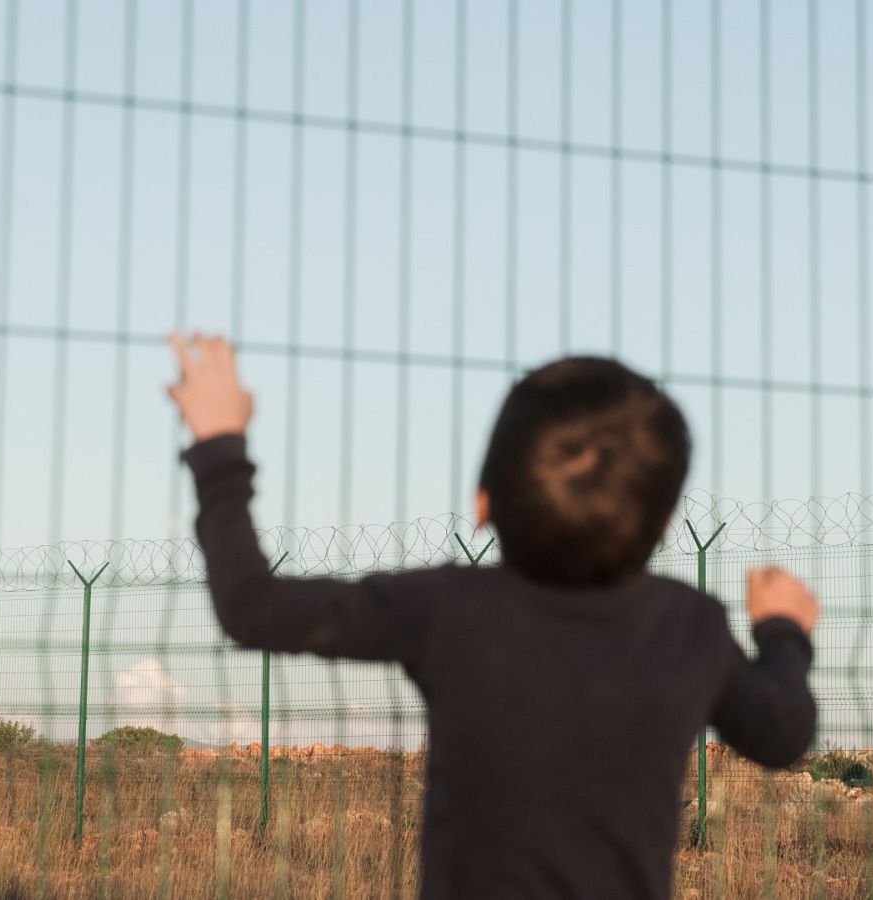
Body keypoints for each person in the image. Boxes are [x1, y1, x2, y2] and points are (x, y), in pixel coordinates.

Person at [168, 334, 818, 900]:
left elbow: (251, 607)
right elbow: (782, 733)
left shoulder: (448, 608)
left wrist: (220, 445)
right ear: (666, 520)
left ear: (483, 503)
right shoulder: (688, 627)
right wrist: (782, 632)